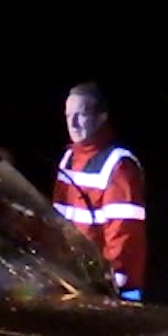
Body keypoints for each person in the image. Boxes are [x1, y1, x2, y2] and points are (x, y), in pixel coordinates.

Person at [53, 82, 146, 300]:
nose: (73, 124)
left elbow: (124, 235)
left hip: (109, 290)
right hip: (74, 283)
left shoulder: (119, 165)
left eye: (81, 115)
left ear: (102, 117)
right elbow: (56, 223)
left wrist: (110, 285)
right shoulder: (68, 159)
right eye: (68, 116)